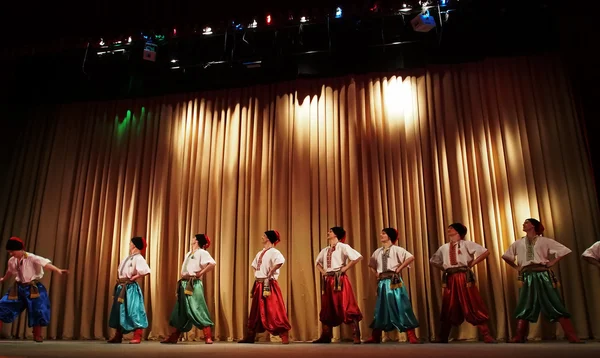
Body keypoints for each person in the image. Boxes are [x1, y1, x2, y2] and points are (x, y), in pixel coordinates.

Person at [502, 218, 581, 343]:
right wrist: (517, 267)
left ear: (533, 226)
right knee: (525, 303)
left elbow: (564, 250)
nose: (524, 224)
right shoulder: (518, 243)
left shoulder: (545, 241)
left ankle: (572, 335)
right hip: (527, 276)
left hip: (542, 274)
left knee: (554, 302)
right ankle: (519, 336)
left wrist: (552, 262)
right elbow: (506, 256)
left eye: (527, 222)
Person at [429, 223, 496, 343]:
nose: (449, 229)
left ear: (458, 231)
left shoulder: (467, 244)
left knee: (472, 302)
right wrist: (445, 269)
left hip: (464, 277)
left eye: (452, 228)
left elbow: (485, 252)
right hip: (450, 278)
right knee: (448, 305)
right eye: (448, 227)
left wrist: (473, 263)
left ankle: (486, 335)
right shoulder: (444, 247)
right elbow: (433, 260)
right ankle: (443, 336)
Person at [0, 237, 68, 342]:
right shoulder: (12, 260)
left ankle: (37, 335)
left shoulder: (31, 257)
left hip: (33, 288)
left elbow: (46, 264)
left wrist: (57, 270)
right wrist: (3, 279)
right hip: (18, 288)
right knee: (3, 306)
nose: (11, 254)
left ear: (19, 250)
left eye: (12, 251)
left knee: (38, 310)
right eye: (9, 252)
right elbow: (10, 271)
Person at [365, 228, 420, 344]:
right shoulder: (378, 252)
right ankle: (375, 336)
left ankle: (411, 335)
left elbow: (411, 257)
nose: (381, 235)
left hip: (394, 281)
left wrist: (399, 269)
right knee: (380, 308)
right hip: (382, 282)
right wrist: (376, 273)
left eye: (384, 233)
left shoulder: (397, 249)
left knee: (401, 305)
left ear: (389, 236)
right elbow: (371, 264)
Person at [161, 234, 216, 344]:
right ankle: (174, 336)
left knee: (198, 307)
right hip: (184, 282)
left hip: (193, 283)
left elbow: (212, 264)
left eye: (194, 238)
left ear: (196, 240)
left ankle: (207, 335)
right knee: (181, 309)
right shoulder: (188, 253)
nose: (192, 239)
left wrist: (200, 273)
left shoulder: (202, 252)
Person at [238, 230, 291, 344]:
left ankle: (283, 335)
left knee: (274, 309)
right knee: (255, 310)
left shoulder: (274, 252)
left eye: (264, 236)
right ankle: (250, 336)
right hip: (259, 284)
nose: (262, 237)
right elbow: (254, 265)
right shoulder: (260, 253)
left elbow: (281, 261)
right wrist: (257, 274)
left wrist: (272, 270)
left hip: (269, 284)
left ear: (268, 238)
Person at [313, 226, 363, 344]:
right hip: (328, 280)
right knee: (327, 306)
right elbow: (317, 262)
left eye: (330, 231)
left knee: (346, 304)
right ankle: (326, 335)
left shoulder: (343, 247)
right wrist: (324, 272)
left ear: (336, 234)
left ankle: (356, 335)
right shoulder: (325, 250)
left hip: (339, 279)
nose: (328, 233)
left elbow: (357, 257)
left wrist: (345, 268)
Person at [107, 236, 151, 344]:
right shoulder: (128, 257)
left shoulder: (139, 258)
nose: (130, 244)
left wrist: (135, 277)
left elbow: (146, 271)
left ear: (135, 245)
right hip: (121, 286)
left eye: (131, 242)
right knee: (119, 311)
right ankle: (118, 335)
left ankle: (138, 335)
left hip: (130, 287)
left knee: (133, 310)